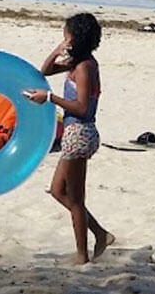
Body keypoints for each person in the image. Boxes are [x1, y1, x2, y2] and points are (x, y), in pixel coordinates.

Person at [25, 13, 114, 265]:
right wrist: (57, 50)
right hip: (75, 133)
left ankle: (82, 255)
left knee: (75, 199)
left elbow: (82, 107)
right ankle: (99, 233)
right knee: (57, 190)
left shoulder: (85, 67)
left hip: (80, 133)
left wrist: (50, 98)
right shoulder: (76, 63)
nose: (64, 38)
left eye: (66, 34)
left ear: (76, 37)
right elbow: (43, 71)